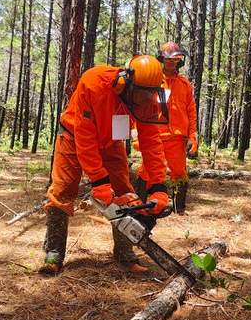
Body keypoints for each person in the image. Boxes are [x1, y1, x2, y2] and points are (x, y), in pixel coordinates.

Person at [39, 55, 171, 276]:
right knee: (62, 191)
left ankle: (124, 253)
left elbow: (151, 143)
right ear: (127, 83)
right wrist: (99, 181)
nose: (146, 100)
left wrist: (158, 185)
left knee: (124, 192)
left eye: (151, 94)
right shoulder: (93, 84)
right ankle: (54, 252)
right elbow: (85, 138)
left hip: (111, 141)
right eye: (141, 94)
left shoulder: (149, 100)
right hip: (73, 135)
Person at [133, 42, 198, 214]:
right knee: (147, 170)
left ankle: (179, 208)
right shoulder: (152, 80)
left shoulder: (184, 84)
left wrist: (193, 136)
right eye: (168, 59)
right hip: (153, 134)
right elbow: (139, 106)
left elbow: (191, 111)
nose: (171, 62)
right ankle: (140, 205)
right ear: (162, 58)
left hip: (177, 136)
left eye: (175, 59)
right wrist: (135, 134)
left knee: (179, 171)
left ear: (179, 61)